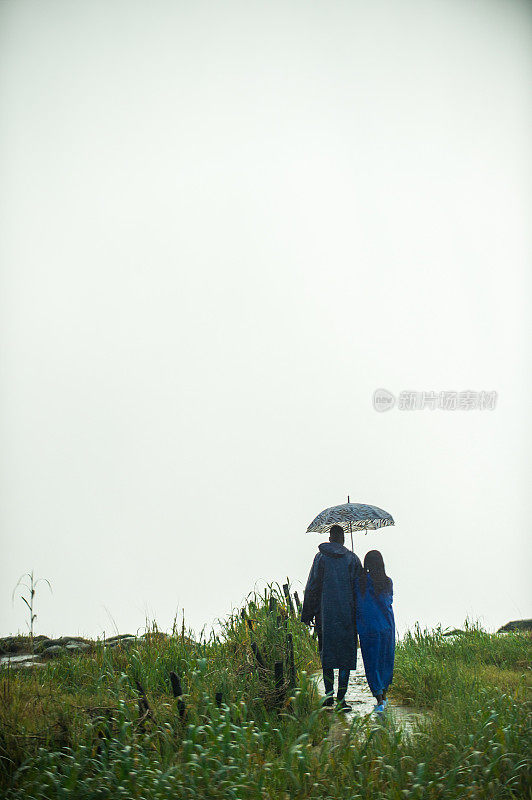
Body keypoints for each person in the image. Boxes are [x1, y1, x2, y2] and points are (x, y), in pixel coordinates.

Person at [301, 524, 362, 711]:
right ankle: (341, 700)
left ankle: (328, 697)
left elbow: (312, 586)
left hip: (325, 615)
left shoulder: (320, 558)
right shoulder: (352, 559)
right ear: (343, 539)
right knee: (345, 657)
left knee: (326, 654)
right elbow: (360, 590)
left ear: (330, 538)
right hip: (347, 616)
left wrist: (307, 614)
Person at [355, 550, 395, 713]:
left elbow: (358, 603)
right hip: (386, 625)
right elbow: (388, 601)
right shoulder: (386, 581)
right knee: (385, 660)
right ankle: (384, 696)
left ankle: (378, 697)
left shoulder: (360, 582)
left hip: (368, 628)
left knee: (372, 663)